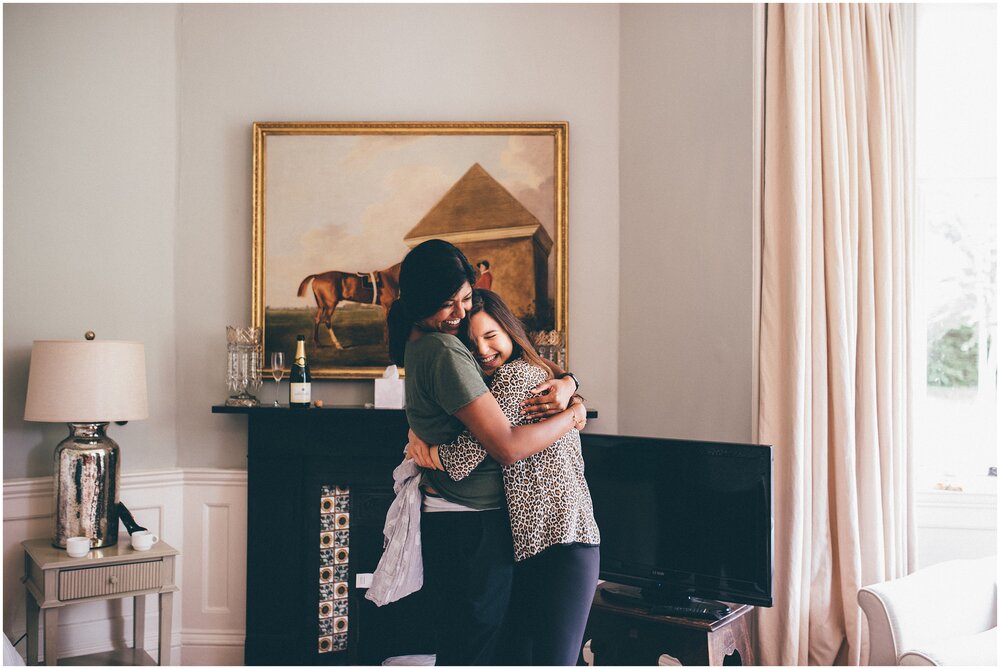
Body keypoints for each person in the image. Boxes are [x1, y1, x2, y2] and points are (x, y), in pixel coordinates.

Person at [386, 239, 584, 666]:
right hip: (472, 526)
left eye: (466, 299)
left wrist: (571, 386)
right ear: (421, 302)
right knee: (475, 648)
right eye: (448, 304)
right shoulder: (443, 351)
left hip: (488, 524)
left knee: (479, 645)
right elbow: (507, 446)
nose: (459, 314)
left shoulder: (426, 342)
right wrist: (574, 415)